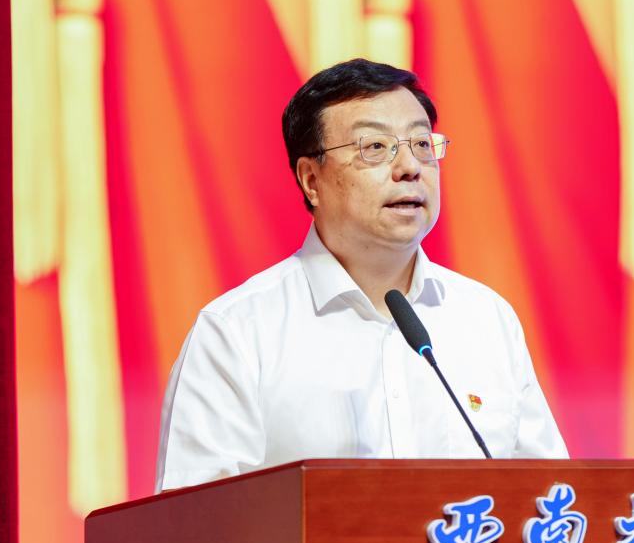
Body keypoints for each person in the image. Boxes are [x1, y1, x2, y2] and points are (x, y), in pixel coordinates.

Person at [155, 58, 568, 490]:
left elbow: (553, 500)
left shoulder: (486, 319)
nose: (410, 167)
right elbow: (196, 522)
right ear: (311, 180)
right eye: (374, 147)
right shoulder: (237, 332)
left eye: (421, 144)